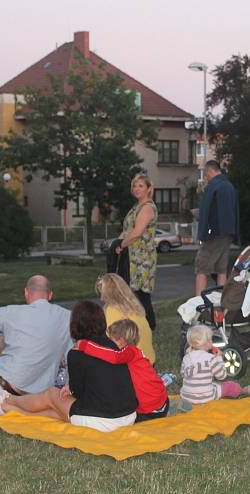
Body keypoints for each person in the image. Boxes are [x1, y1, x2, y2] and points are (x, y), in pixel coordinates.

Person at [0, 300, 138, 432]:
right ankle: (7, 409)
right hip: (128, 416)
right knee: (54, 412)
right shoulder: (111, 345)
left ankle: (6, 399)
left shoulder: (77, 352)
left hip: (103, 421)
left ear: (75, 325)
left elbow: (78, 394)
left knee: (52, 395)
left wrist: (69, 389)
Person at [77, 319, 169, 422]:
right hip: (162, 401)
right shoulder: (136, 354)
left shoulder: (130, 351)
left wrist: (85, 345)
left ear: (121, 341)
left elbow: (114, 357)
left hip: (150, 411)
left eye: (110, 339)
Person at [180, 325, 250, 406]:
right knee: (229, 385)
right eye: (211, 340)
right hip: (206, 398)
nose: (212, 342)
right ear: (206, 342)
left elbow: (183, 374)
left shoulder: (186, 358)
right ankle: (244, 390)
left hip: (187, 398)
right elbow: (222, 376)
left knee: (212, 384)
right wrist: (219, 359)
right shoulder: (211, 358)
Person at [114, 175, 158, 330]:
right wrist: (117, 242)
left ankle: (149, 326)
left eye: (140, 185)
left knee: (141, 293)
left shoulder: (147, 207)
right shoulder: (136, 207)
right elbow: (128, 230)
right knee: (131, 292)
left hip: (142, 257)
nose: (136, 189)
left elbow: (138, 232)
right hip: (132, 256)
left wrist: (122, 245)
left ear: (148, 188)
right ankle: (136, 326)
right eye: (134, 186)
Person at [195, 160, 239, 296]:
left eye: (206, 175)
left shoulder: (213, 187)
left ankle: (198, 303)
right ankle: (221, 302)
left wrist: (203, 232)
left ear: (209, 171)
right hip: (227, 233)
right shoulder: (229, 186)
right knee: (221, 269)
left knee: (201, 269)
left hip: (213, 234)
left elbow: (206, 211)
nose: (206, 178)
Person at [96, 273, 156, 364]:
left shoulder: (112, 310)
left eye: (103, 295)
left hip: (133, 365)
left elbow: (111, 343)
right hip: (149, 361)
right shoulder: (135, 307)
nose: (101, 299)